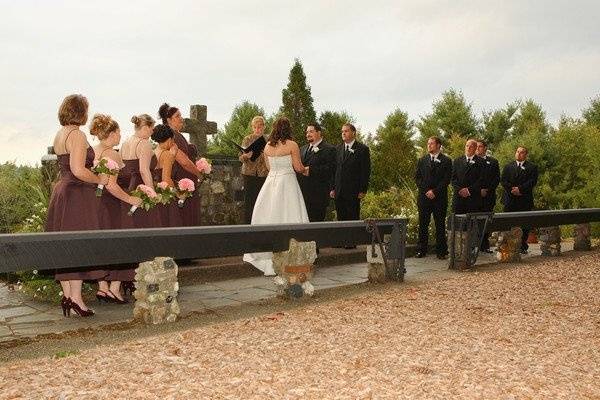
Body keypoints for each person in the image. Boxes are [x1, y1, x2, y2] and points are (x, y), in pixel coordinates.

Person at [45, 94, 108, 317]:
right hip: (76, 194)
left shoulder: (60, 134)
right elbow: (79, 170)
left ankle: (70, 298)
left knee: (65, 246)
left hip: (62, 191)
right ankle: (77, 300)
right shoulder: (78, 135)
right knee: (77, 246)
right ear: (81, 111)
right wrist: (99, 178)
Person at [243, 117, 309, 276]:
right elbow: (298, 167)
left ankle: (267, 251)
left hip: (271, 182)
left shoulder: (267, 147)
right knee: (289, 213)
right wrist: (306, 169)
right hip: (287, 182)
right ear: (288, 129)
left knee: (269, 213)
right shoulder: (292, 145)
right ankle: (292, 254)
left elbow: (268, 167)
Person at [90, 114, 141, 304]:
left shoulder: (93, 150)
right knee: (120, 243)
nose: (120, 135)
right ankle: (114, 288)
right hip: (112, 204)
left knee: (102, 244)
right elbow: (111, 185)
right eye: (118, 131)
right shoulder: (112, 153)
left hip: (95, 203)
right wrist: (130, 199)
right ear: (111, 133)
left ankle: (103, 288)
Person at [158, 103, 203, 226]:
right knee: (184, 215)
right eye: (178, 116)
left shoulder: (178, 135)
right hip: (182, 178)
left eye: (181, 115)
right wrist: (199, 174)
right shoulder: (172, 137)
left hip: (188, 177)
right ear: (169, 120)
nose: (181, 118)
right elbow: (184, 162)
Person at [120, 114, 161, 228]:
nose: (152, 132)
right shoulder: (144, 143)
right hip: (141, 190)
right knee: (145, 223)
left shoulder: (124, 143)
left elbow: (121, 168)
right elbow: (144, 170)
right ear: (145, 127)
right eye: (152, 129)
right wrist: (152, 193)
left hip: (127, 189)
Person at [415, 136, 452, 259]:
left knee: (440, 225)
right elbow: (417, 178)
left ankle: (441, 251)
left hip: (439, 198)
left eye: (431, 143)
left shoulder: (446, 161)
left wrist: (434, 191)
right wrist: (427, 191)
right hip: (424, 198)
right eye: (428, 143)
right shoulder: (422, 160)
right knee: (423, 224)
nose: (429, 145)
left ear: (438, 146)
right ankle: (421, 250)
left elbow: (446, 180)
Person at [330, 123, 371, 227]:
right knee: (341, 220)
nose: (343, 133)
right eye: (342, 131)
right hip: (339, 192)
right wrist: (332, 188)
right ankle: (342, 242)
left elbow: (365, 171)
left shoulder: (362, 149)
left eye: (346, 131)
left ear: (353, 133)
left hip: (353, 191)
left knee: (353, 220)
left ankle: (352, 243)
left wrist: (362, 190)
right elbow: (334, 170)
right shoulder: (337, 149)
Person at [501, 146, 539, 254]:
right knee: (507, 222)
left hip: (524, 199)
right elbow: (503, 180)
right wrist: (512, 190)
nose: (518, 154)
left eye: (521, 152)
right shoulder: (508, 167)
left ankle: (522, 246)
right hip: (510, 199)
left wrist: (520, 189)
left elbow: (533, 181)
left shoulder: (532, 167)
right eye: (517, 152)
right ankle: (507, 245)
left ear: (525, 155)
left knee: (524, 223)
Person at [297, 122, 336, 222]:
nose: (308, 134)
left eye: (311, 131)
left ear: (319, 132)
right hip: (302, 196)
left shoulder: (329, 149)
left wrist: (311, 171)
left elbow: (331, 169)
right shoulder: (302, 149)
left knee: (315, 227)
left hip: (318, 197)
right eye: (307, 132)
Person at [239, 116, 269, 224]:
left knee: (262, 200)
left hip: (264, 174)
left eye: (260, 127)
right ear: (252, 127)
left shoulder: (268, 139)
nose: (257, 129)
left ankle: (262, 224)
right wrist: (246, 156)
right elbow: (240, 157)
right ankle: (248, 225)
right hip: (249, 174)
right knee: (249, 201)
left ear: (264, 127)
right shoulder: (247, 139)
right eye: (255, 127)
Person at [151, 124, 180, 227]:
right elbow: (166, 179)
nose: (173, 143)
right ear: (169, 139)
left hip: (155, 192)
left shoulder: (154, 151)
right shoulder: (166, 154)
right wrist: (178, 193)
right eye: (172, 140)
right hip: (165, 196)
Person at [476, 140, 500, 253]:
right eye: (476, 146)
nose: (477, 148)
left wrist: (487, 190)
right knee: (474, 221)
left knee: (486, 220)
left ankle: (485, 245)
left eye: (480, 146)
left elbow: (496, 179)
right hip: (474, 196)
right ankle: (473, 245)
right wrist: (478, 190)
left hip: (488, 196)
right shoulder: (471, 161)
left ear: (485, 148)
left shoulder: (493, 162)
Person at [451, 139, 483, 215]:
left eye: (471, 146)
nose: (468, 148)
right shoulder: (457, 161)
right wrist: (460, 190)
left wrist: (468, 190)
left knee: (472, 224)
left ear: (475, 148)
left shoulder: (481, 162)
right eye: (467, 146)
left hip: (473, 199)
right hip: (458, 198)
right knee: (457, 224)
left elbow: (482, 179)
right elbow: (453, 178)